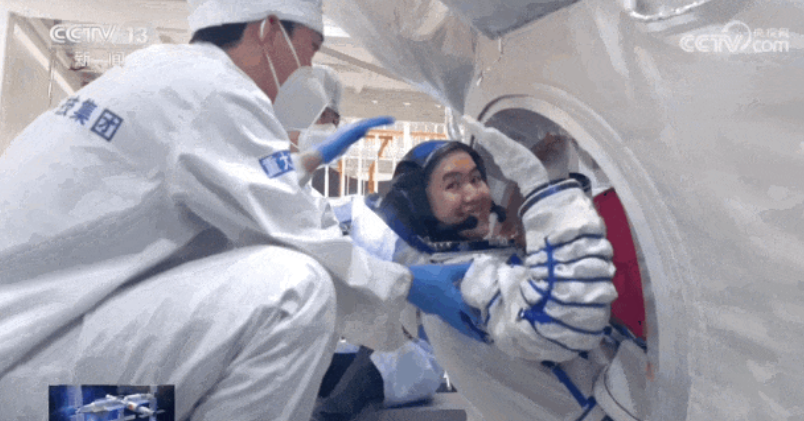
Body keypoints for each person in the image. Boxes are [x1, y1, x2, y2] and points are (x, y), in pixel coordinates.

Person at [0, 1, 482, 419]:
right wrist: (412, 284)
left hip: (40, 365)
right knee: (294, 289)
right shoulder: (214, 89)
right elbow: (299, 233)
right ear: (269, 30)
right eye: (310, 51)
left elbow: (265, 204)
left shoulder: (161, 73)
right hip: (37, 388)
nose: (308, 71)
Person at [343, 138, 648, 421]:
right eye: (453, 185)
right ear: (420, 205)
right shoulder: (461, 282)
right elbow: (566, 325)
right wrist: (547, 194)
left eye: (477, 179)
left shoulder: (467, 267)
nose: (473, 194)